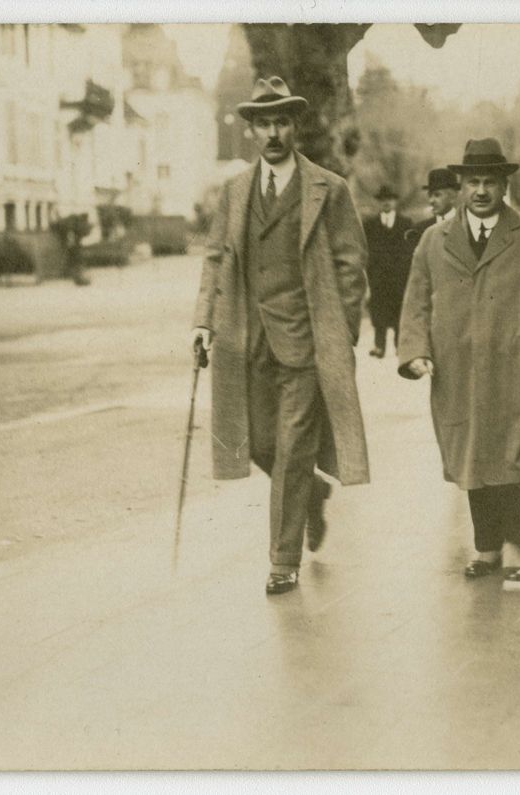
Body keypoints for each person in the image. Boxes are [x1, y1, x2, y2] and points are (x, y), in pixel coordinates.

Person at [191, 76, 370, 595]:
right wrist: (203, 321)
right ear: (250, 130)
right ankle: (311, 493)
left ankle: (283, 560)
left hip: (307, 343)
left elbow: (351, 265)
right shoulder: (235, 192)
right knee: (258, 443)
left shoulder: (328, 189)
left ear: (295, 127)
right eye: (263, 123)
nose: (273, 133)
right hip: (247, 341)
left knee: (292, 447)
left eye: (282, 122)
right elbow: (215, 258)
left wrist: (338, 331)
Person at [398, 138, 520, 587]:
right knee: (472, 453)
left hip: (517, 364)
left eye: (490, 182)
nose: (481, 191)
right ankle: (486, 547)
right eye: (473, 182)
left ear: (504, 185)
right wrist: (416, 351)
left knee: (515, 453)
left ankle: (515, 545)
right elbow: (416, 300)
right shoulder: (434, 240)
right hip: (457, 369)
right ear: (460, 186)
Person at [363, 185, 414, 357]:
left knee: (400, 312)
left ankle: (400, 346)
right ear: (378, 202)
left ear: (395, 201)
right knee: (378, 312)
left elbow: (410, 250)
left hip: (400, 277)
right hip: (378, 278)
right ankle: (379, 346)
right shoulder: (369, 225)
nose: (386, 202)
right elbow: (365, 250)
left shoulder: (406, 223)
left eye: (389, 199)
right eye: (382, 199)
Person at [406, 168, 460, 244]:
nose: (431, 201)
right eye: (430, 195)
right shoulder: (420, 230)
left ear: (452, 197)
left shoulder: (465, 225)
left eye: (437, 195)